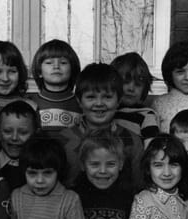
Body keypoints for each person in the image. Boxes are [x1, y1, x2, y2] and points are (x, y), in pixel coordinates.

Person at [60, 63, 143, 192]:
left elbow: (139, 187)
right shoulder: (64, 140)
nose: (99, 103)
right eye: (91, 97)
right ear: (79, 101)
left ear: (119, 100)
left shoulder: (131, 141)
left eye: (107, 97)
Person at [29, 39, 82, 132]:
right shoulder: (30, 103)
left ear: (72, 70)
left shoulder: (82, 103)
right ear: (39, 71)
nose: (56, 66)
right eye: (49, 63)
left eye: (63, 63)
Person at [111, 52, 159, 139]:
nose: (131, 88)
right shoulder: (106, 111)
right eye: (125, 82)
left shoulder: (146, 115)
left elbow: (151, 146)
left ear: (145, 88)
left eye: (138, 84)